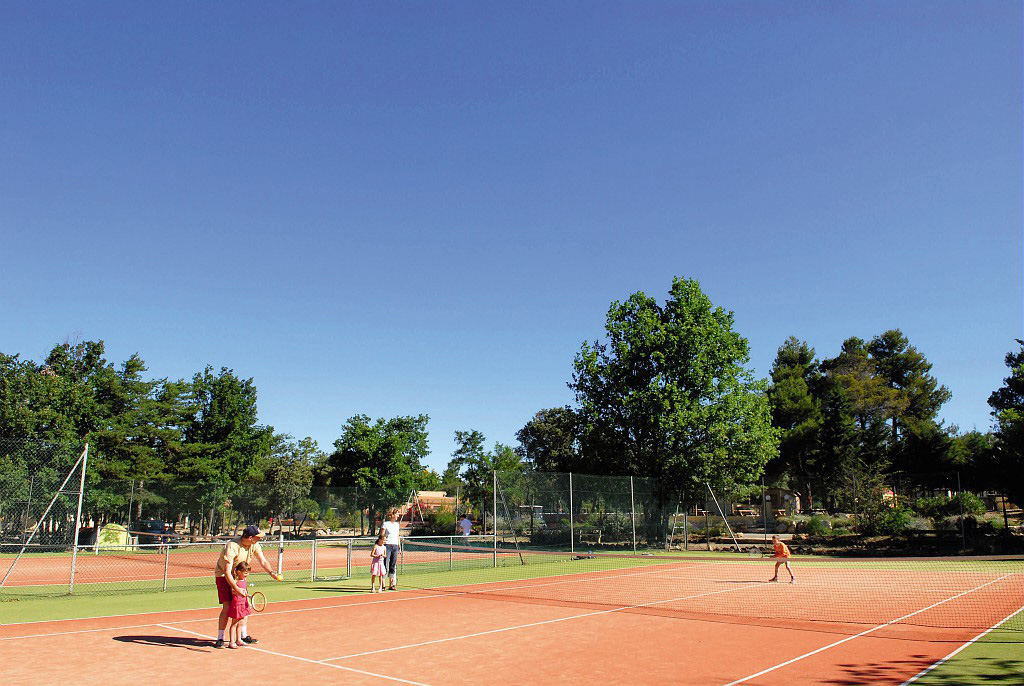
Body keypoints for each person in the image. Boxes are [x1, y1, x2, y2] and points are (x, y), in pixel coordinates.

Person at [214, 524, 281, 648]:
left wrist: (272, 573)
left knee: (244, 606)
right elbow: (227, 572)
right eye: (257, 537)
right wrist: (236, 588)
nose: (259, 539)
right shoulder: (232, 546)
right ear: (250, 537)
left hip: (239, 577)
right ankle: (220, 638)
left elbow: (263, 561)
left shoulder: (255, 545)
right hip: (223, 576)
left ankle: (243, 636)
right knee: (227, 606)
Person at [225, 562, 251, 649]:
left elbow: (245, 591)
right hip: (237, 604)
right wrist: (239, 591)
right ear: (239, 572)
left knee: (241, 623)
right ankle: (232, 642)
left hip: (243, 604)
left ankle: (239, 640)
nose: (247, 574)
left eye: (248, 572)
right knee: (234, 623)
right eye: (245, 573)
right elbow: (233, 591)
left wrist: (247, 600)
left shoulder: (244, 581)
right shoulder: (235, 581)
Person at [380, 509, 401, 591]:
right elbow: (382, 535)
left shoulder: (397, 525)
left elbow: (397, 536)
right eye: (397, 514)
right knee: (385, 565)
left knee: (393, 565)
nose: (398, 516)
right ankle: (383, 585)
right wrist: (382, 544)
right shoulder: (385, 524)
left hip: (395, 546)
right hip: (387, 546)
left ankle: (391, 585)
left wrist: (399, 546)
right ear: (392, 514)